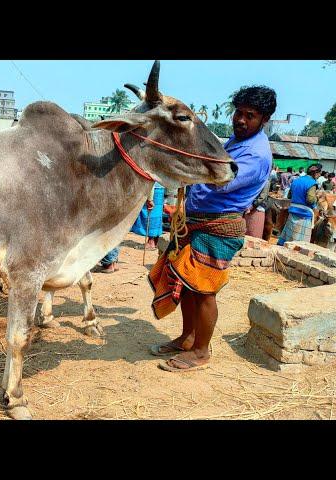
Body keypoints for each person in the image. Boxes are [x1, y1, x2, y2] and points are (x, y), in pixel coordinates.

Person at [149, 85, 276, 372]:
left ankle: (201, 352)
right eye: (238, 112)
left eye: (250, 115)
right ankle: (187, 338)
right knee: (188, 285)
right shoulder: (236, 140)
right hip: (197, 220)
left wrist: (179, 165)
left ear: (264, 120)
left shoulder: (255, 155)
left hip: (218, 225)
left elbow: (221, 179)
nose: (241, 120)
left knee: (205, 290)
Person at [276, 163, 322, 245]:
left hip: (293, 211)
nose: (319, 176)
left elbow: (290, 195)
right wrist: (317, 198)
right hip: (304, 215)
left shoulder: (296, 180)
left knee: (288, 238)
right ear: (315, 173)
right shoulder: (312, 183)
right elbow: (310, 200)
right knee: (300, 244)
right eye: (319, 174)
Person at [131, 182, 165, 250]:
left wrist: (150, 199)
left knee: (151, 215)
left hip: (153, 187)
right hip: (159, 187)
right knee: (156, 215)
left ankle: (151, 243)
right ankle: (153, 242)